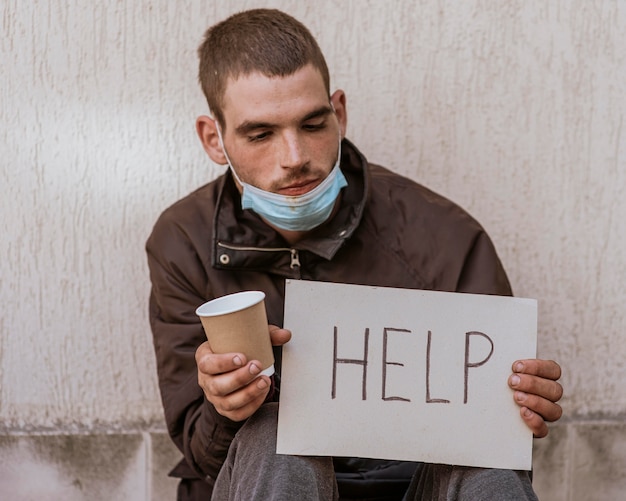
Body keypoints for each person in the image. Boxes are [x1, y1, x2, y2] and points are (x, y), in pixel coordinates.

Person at [146, 8, 563, 501]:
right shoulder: (185, 240)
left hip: (411, 484)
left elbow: (500, 436)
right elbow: (203, 453)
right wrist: (224, 406)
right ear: (214, 139)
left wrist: (520, 407)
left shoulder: (442, 233)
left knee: (487, 464)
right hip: (265, 481)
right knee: (276, 434)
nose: (295, 156)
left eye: (314, 123)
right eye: (260, 134)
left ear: (338, 112)